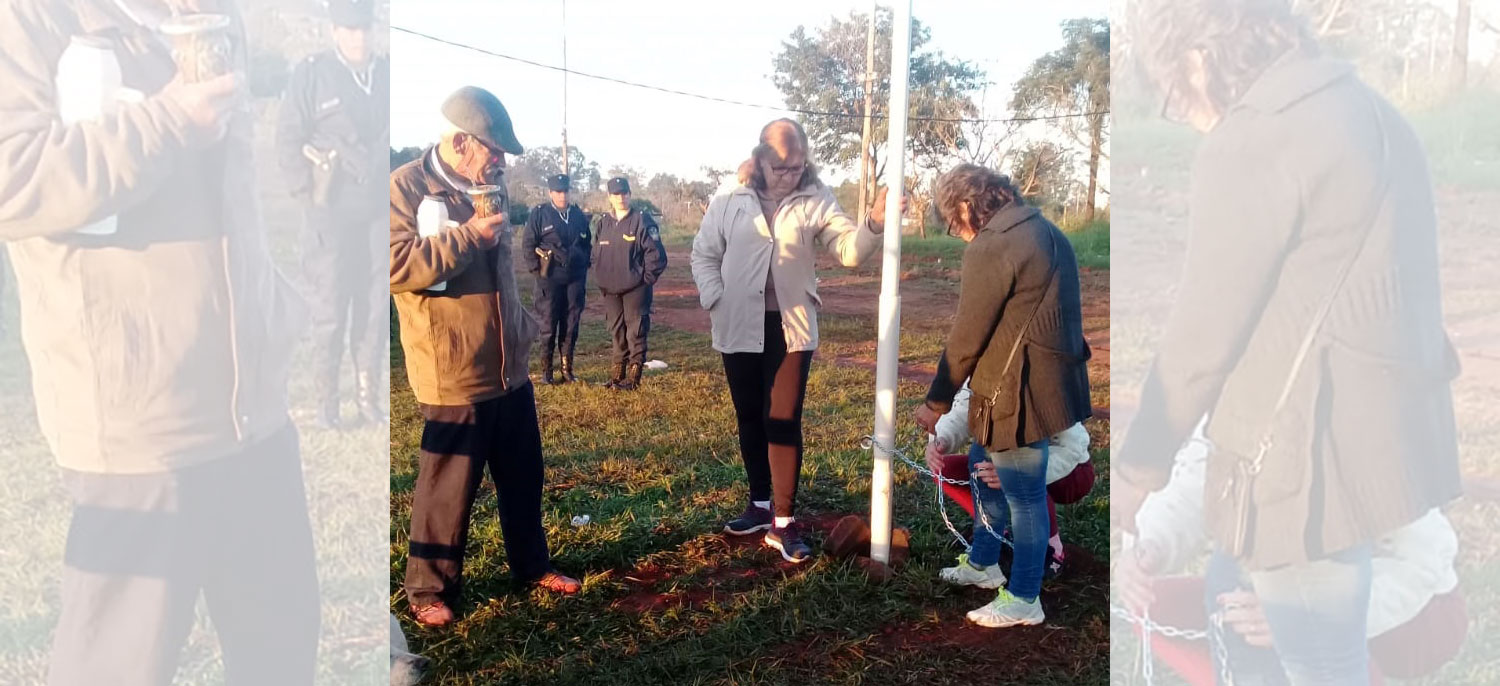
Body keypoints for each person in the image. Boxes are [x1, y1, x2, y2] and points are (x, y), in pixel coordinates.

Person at [1115, 1, 1461, 681]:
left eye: (1175, 96)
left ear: (1198, 57)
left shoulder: (1260, 136)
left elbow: (1201, 338)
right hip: (1381, 455)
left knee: (1316, 662)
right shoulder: (1380, 118)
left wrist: (1136, 471)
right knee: (1299, 640)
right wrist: (1162, 528)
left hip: (1301, 476)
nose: (1185, 114)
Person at [0, 0, 318, 683]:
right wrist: (167, 122)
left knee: (281, 657)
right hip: (139, 428)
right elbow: (12, 175)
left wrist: (276, 301)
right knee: (116, 668)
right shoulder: (33, 19)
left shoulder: (211, 11)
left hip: (254, 411)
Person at [389, 86, 581, 628]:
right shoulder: (404, 189)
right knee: (447, 489)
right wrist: (469, 238)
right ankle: (429, 588)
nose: (499, 163)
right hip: (452, 369)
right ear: (459, 141)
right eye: (493, 152)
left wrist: (521, 327)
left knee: (524, 477)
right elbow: (395, 266)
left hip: (508, 363)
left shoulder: (488, 187)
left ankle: (532, 564)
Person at [1115, 420, 1466, 685]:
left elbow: (1422, 560)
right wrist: (1151, 545)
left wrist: (1318, 614)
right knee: (1157, 605)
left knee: (1307, 641)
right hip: (1286, 588)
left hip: (1413, 612)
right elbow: (1196, 481)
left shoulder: (1361, 412)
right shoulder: (1233, 383)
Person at [691, 118, 897, 563]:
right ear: (761, 160)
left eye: (797, 167)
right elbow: (704, 253)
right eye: (782, 168)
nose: (790, 176)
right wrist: (715, 297)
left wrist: (875, 224)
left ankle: (783, 522)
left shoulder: (815, 197)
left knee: (782, 418)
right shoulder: (730, 196)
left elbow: (848, 250)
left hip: (790, 326)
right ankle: (760, 505)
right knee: (749, 415)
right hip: (737, 324)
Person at [914, 164, 1092, 628]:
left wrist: (936, 403)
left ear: (969, 206)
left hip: (1017, 391)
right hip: (1042, 384)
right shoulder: (1047, 232)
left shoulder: (995, 243)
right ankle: (984, 563)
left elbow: (967, 334)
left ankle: (1024, 597)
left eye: (954, 223)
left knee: (1024, 496)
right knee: (979, 463)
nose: (957, 235)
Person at [277, 0, 389, 429]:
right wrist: (308, 197)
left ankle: (367, 399)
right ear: (334, 31)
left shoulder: (386, 75)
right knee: (330, 307)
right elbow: (287, 139)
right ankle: (327, 404)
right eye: (349, 29)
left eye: (364, 28)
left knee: (374, 307)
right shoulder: (312, 74)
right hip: (331, 212)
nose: (358, 37)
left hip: (376, 214)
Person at [925, 380, 1095, 582]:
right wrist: (941, 440)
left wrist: (1021, 472)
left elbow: (1073, 446)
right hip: (1011, 461)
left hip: (1070, 472)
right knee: (948, 468)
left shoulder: (1042, 376)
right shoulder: (981, 371)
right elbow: (962, 410)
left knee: (1016, 463)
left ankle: (1051, 549)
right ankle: (993, 529)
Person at [592, 176, 667, 390]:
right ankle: (617, 374)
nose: (621, 198)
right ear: (609, 197)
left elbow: (657, 256)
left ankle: (633, 378)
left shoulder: (642, 220)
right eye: (616, 194)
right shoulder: (604, 222)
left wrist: (645, 281)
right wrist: (600, 278)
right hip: (610, 290)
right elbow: (595, 254)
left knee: (635, 331)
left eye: (624, 193)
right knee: (616, 331)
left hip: (636, 289)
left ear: (630, 194)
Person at [523, 173, 592, 384]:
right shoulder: (540, 214)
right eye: (558, 192)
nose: (563, 195)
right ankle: (547, 372)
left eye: (566, 191)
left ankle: (567, 369)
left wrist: (583, 264)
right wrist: (538, 271)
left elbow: (587, 243)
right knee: (549, 324)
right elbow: (528, 244)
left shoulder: (578, 215)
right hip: (549, 278)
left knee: (571, 323)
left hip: (574, 278)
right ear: (550, 193)